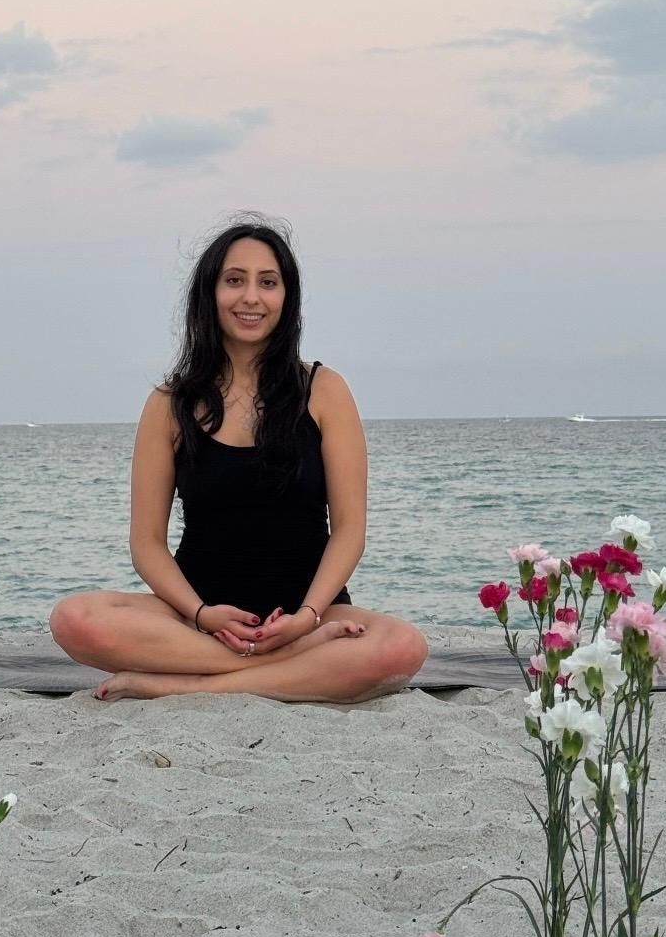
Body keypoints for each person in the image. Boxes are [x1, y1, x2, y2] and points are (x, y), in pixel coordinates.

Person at [49, 217, 428, 701]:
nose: (251, 297)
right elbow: (146, 544)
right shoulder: (170, 403)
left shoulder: (324, 390)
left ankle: (180, 686)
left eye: (267, 283)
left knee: (401, 647)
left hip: (307, 613)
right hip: (195, 617)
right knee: (74, 619)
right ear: (210, 293)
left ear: (286, 298)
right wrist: (202, 613)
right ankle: (286, 667)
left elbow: (350, 530)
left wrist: (306, 618)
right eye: (235, 280)